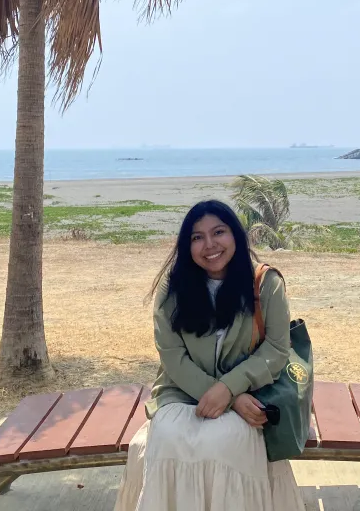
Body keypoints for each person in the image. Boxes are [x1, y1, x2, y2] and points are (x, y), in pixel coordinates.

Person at [114, 200, 303, 511]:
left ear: (236, 236)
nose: (210, 245)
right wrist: (225, 397)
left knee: (228, 440)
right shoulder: (172, 288)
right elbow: (172, 357)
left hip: (249, 390)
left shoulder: (266, 284)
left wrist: (229, 389)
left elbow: (277, 348)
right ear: (186, 244)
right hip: (181, 391)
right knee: (169, 437)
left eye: (219, 232)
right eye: (197, 237)